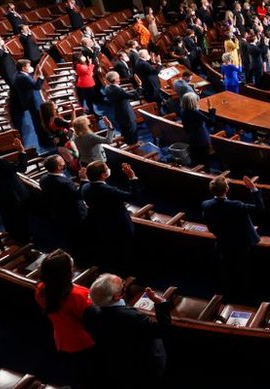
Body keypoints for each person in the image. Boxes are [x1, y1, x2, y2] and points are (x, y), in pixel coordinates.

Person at [83, 275, 173, 386]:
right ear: (116, 296)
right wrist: (160, 303)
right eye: (122, 286)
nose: (124, 286)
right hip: (143, 368)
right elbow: (163, 330)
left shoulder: (89, 312)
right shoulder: (131, 317)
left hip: (115, 365)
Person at [34, 250, 96, 388]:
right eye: (72, 268)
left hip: (62, 338)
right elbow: (93, 318)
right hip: (85, 342)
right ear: (67, 274)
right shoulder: (78, 295)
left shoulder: (40, 289)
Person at [202, 175, 264, 298]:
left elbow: (211, 225)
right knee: (243, 269)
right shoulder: (236, 205)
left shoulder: (206, 204)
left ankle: (229, 292)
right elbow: (260, 209)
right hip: (240, 244)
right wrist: (253, 189)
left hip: (222, 242)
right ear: (227, 189)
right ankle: (244, 293)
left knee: (227, 268)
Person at [81, 161, 142, 272]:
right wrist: (132, 177)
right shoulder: (109, 190)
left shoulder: (85, 187)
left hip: (101, 224)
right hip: (120, 226)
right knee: (125, 250)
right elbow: (135, 197)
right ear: (103, 175)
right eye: (107, 168)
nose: (109, 169)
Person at [103, 72, 141, 145]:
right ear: (114, 80)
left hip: (118, 113)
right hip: (126, 114)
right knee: (131, 132)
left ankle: (129, 143)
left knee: (125, 131)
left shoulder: (107, 88)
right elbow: (135, 96)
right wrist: (139, 85)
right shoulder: (117, 90)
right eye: (118, 77)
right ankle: (134, 146)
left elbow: (124, 95)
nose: (119, 79)